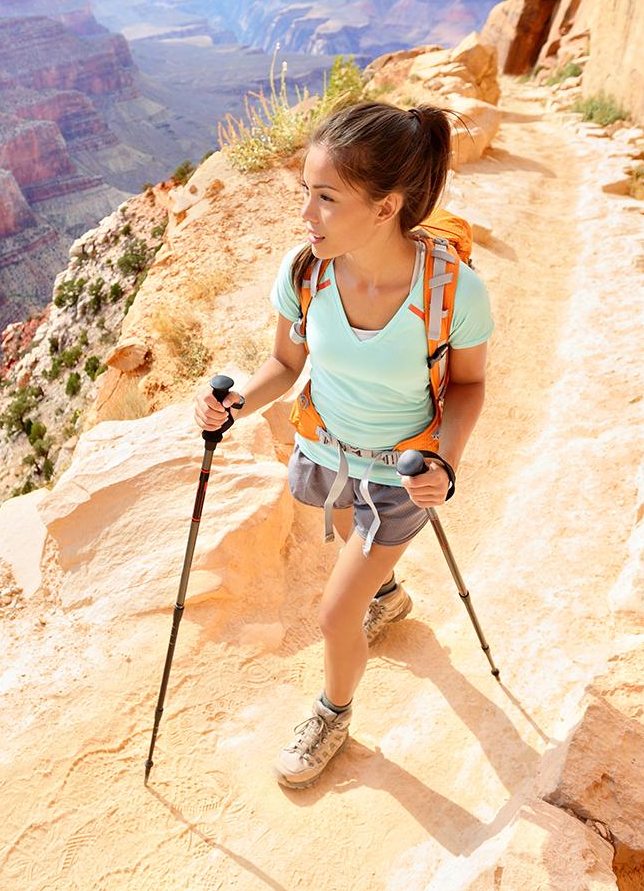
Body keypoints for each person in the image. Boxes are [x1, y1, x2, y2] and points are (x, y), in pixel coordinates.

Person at [193, 100, 493, 789]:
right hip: (326, 454)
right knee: (350, 552)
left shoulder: (454, 291)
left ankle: (333, 711)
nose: (305, 215)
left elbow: (470, 388)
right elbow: (284, 363)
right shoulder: (306, 272)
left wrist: (446, 460)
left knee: (334, 614)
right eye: (305, 192)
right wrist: (236, 401)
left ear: (387, 206)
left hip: (401, 475)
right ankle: (386, 593)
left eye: (325, 198)